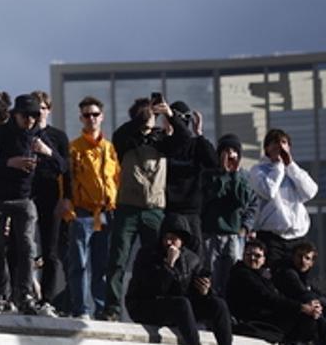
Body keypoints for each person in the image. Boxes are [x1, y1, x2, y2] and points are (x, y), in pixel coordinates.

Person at [96, 97, 181, 321]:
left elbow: (185, 141)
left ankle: (151, 307)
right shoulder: (126, 139)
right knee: (117, 260)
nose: (148, 118)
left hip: (155, 209)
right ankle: (112, 309)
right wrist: (140, 119)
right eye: (144, 114)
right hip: (127, 208)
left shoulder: (163, 140)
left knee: (154, 261)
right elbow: (118, 136)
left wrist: (169, 115)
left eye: (151, 114)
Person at [0, 94, 62, 317]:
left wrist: (47, 152)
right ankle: (3, 295)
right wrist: (11, 162)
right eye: (26, 116)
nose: (29, 120)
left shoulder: (39, 135)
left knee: (28, 247)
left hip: (24, 198)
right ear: (15, 115)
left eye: (34, 116)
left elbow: (62, 166)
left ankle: (25, 295)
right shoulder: (0, 132)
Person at [124, 215, 232, 345]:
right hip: (145, 305)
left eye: (173, 239)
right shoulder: (147, 254)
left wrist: (205, 291)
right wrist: (169, 265)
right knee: (181, 304)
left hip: (178, 310)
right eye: (166, 238)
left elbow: (193, 292)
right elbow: (153, 289)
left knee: (218, 304)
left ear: (182, 241)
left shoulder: (191, 259)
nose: (169, 242)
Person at [59, 96, 119, 319]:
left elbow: (116, 178)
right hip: (82, 212)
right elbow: (67, 180)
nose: (91, 119)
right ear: (81, 118)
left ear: (101, 117)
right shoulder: (74, 148)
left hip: (104, 214)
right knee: (79, 265)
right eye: (87, 115)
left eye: (95, 114)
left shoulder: (109, 148)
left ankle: (101, 309)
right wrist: (70, 210)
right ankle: (81, 308)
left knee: (101, 265)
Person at [226, 239, 326, 344]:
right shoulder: (242, 275)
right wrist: (302, 307)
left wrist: (311, 307)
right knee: (310, 318)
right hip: (255, 320)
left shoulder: (260, 275)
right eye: (248, 254)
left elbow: (279, 295)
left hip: (268, 316)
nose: (252, 258)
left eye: (257, 256)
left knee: (322, 320)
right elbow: (268, 298)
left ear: (264, 259)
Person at [249, 128, 319, 270]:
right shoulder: (258, 170)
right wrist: (278, 166)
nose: (280, 147)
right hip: (272, 237)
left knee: (297, 275)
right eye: (275, 143)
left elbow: (310, 192)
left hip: (296, 236)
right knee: (276, 274)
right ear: (267, 148)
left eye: (283, 142)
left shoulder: (294, 170)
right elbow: (268, 191)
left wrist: (290, 166)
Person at [29, 90, 69, 310]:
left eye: (43, 108)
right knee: (23, 246)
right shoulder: (24, 132)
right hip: (26, 193)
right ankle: (23, 294)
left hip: (51, 194)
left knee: (50, 251)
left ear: (49, 110)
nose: (39, 113)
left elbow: (65, 167)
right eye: (35, 108)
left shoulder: (58, 136)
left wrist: (48, 152)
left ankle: (47, 299)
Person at [200, 133, 254, 296]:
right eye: (226, 150)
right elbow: (211, 196)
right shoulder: (209, 175)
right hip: (211, 234)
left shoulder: (244, 176)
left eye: (233, 151)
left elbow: (244, 201)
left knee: (233, 275)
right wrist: (223, 173)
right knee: (212, 276)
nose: (230, 154)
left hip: (233, 234)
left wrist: (235, 175)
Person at [162, 101, 218, 259]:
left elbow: (213, 162)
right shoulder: (164, 144)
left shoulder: (196, 145)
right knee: (168, 253)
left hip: (191, 211)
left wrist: (199, 134)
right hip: (169, 210)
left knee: (195, 256)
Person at [274, 242, 326, 345]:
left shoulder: (303, 277)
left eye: (307, 258)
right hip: (288, 317)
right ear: (293, 257)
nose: (302, 261)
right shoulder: (288, 273)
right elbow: (306, 295)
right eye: (299, 256)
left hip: (301, 317)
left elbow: (317, 293)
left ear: (312, 263)